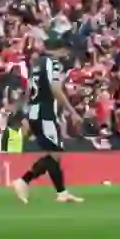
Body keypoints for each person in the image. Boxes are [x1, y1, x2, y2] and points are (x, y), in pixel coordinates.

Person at [12, 27, 85, 203]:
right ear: (63, 50)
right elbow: (55, 89)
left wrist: (26, 116)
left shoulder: (37, 64)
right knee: (56, 152)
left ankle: (61, 193)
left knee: (54, 152)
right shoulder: (53, 63)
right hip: (45, 113)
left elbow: (29, 92)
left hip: (35, 112)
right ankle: (24, 180)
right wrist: (72, 112)